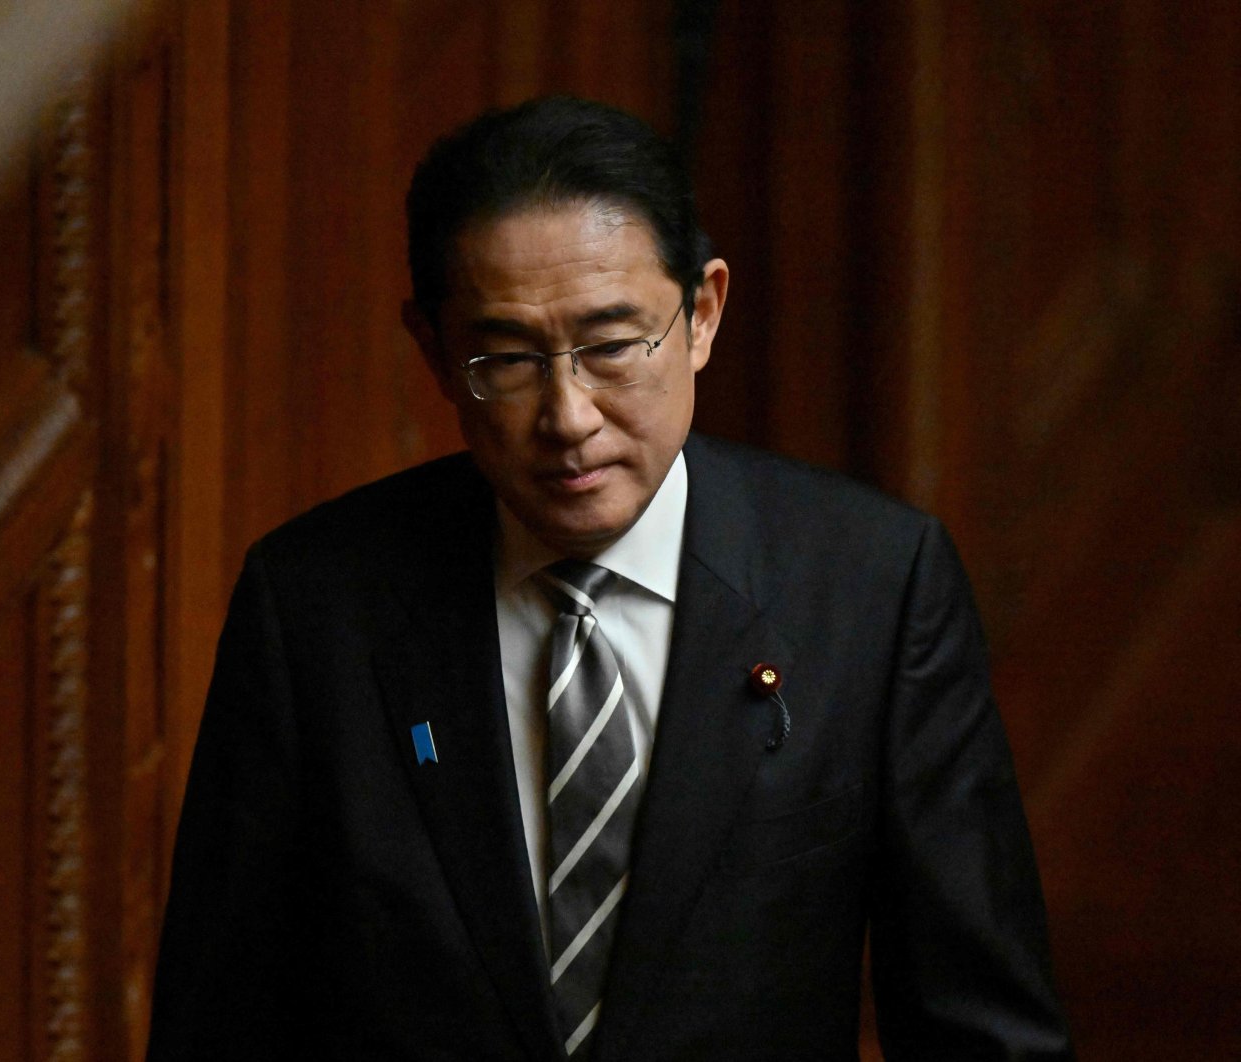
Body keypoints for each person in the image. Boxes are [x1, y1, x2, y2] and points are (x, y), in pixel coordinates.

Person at [146, 96, 1072, 1061]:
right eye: (505, 358)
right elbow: (220, 1024)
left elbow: (985, 1030)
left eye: (613, 347)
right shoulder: (316, 607)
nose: (568, 415)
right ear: (433, 348)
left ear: (702, 313)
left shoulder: (871, 588)